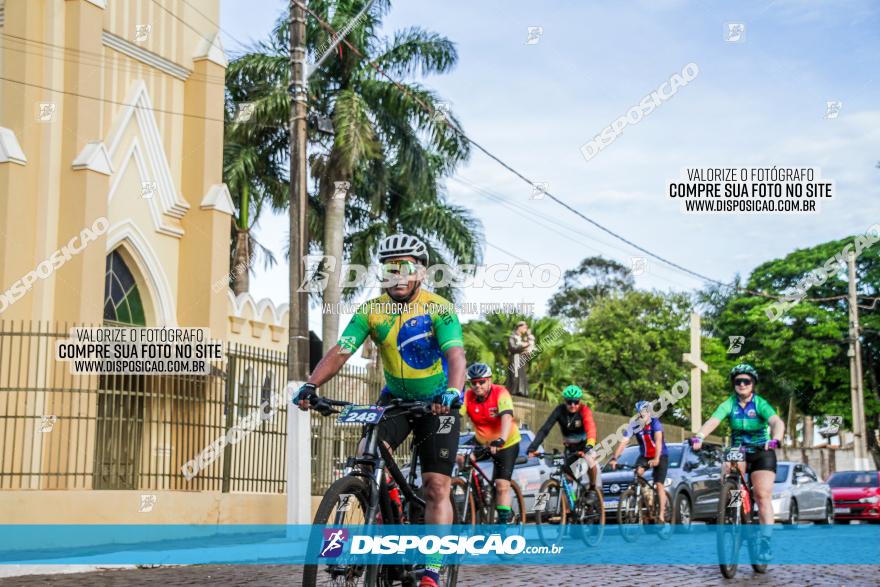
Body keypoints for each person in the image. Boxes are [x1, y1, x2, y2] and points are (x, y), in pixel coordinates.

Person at [293, 233, 466, 587]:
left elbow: (455, 356)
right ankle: (378, 515)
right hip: (395, 400)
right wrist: (313, 385)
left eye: (404, 267)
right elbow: (342, 350)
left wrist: (453, 390)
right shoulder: (372, 311)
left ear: (420, 271)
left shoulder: (439, 308)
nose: (397, 276)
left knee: (435, 486)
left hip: (438, 403)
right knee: (365, 458)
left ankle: (432, 567)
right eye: (389, 269)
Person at [691, 363, 785, 561]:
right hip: (738, 450)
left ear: (753, 384)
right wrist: (699, 436)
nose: (742, 384)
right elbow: (714, 420)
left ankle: (766, 541)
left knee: (761, 494)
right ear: (734, 384)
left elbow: (777, 421)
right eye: (738, 381)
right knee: (729, 475)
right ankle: (733, 512)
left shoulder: (760, 403)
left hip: (762, 451)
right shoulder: (729, 404)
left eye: (746, 381)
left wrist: (775, 438)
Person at [458, 362, 522, 525]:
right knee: (461, 458)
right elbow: (455, 415)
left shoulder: (501, 392)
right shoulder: (468, 396)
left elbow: (507, 417)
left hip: (506, 442)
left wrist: (501, 439)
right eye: (474, 383)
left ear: (489, 380)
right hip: (482, 441)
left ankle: (502, 528)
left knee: (501, 485)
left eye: (481, 382)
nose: (477, 386)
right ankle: (477, 492)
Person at [609, 400, 670, 531]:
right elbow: (624, 442)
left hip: (661, 455)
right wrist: (614, 458)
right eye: (639, 413)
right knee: (637, 474)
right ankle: (645, 497)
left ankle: (661, 517)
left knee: (659, 484)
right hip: (645, 456)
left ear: (649, 412)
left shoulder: (656, 423)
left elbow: (658, 442)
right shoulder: (634, 425)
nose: (641, 415)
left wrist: (657, 458)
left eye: (644, 413)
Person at [526, 385, 599, 490]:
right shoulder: (560, 410)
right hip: (571, 448)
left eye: (576, 402)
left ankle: (592, 488)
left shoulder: (584, 410)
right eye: (569, 402)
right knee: (565, 474)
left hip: (586, 445)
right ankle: (567, 503)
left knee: (590, 460)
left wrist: (590, 445)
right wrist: (533, 448)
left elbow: (591, 428)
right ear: (565, 401)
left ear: (580, 401)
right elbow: (545, 429)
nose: (573, 405)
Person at [507, 321, 535, 397]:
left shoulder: (522, 339)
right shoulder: (512, 337)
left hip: (521, 361)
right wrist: (524, 347)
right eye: (525, 327)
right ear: (519, 327)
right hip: (515, 359)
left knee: (522, 377)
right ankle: (514, 392)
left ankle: (522, 392)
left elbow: (528, 351)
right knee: (515, 377)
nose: (526, 329)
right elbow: (512, 347)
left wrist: (527, 351)